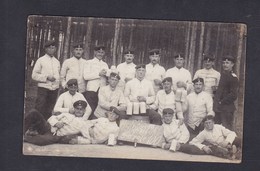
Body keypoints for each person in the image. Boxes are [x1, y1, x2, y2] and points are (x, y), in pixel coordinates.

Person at [23, 100, 89, 146]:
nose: (79, 111)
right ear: (74, 109)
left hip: (56, 135)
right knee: (33, 112)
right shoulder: (67, 114)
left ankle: (25, 138)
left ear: (84, 111)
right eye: (77, 108)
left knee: (42, 141)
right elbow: (51, 118)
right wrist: (56, 123)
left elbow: (88, 139)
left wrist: (77, 141)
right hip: (48, 127)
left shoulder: (83, 123)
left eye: (81, 109)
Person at [32, 40, 60, 120]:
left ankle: (45, 126)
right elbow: (34, 75)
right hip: (43, 88)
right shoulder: (41, 60)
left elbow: (58, 76)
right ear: (46, 49)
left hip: (54, 89)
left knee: (50, 108)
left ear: (55, 49)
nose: (52, 50)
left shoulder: (57, 62)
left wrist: (57, 84)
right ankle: (34, 127)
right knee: (40, 107)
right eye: (50, 48)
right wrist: (46, 77)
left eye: (53, 48)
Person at [213, 55, 239, 130]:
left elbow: (233, 95)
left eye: (227, 63)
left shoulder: (233, 77)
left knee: (226, 129)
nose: (225, 65)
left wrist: (221, 101)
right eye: (224, 63)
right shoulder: (223, 75)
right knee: (217, 128)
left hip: (227, 108)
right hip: (219, 108)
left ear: (232, 64)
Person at [83, 45, 109, 117]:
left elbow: (106, 77)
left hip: (102, 90)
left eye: (102, 52)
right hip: (92, 89)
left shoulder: (105, 64)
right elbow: (86, 76)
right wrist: (99, 74)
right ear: (95, 52)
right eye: (98, 52)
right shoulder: (89, 62)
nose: (100, 54)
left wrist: (108, 75)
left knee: (100, 109)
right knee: (90, 108)